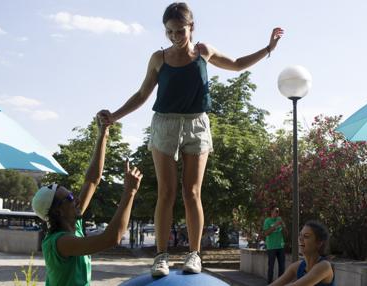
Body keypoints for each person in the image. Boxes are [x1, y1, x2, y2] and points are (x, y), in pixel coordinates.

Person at [109, 2, 283, 276]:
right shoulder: (158, 58)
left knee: (192, 191)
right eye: (169, 32)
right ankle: (161, 257)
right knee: (166, 191)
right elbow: (142, 94)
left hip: (197, 124)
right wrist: (115, 116)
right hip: (165, 124)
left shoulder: (203, 51)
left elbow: (237, 65)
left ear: (192, 27)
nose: (175, 37)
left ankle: (194, 254)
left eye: (180, 31)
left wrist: (268, 49)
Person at [31, 110, 143, 286]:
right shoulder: (60, 242)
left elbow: (92, 180)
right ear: (58, 211)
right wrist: (129, 192)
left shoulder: (72, 225)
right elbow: (111, 238)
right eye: (69, 197)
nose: (75, 198)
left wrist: (103, 135)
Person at [269, 220, 335, 286]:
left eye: (306, 236)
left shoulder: (324, 266)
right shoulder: (296, 267)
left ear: (319, 243)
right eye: (300, 235)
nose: (300, 238)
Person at [263, 207, 286, 284]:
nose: (277, 213)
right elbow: (266, 233)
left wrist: (283, 225)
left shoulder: (279, 219)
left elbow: (286, 233)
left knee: (282, 267)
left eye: (278, 211)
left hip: (280, 246)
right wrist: (275, 226)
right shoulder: (267, 221)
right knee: (271, 267)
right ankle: (270, 283)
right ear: (272, 212)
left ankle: (280, 283)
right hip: (271, 247)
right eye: (276, 211)